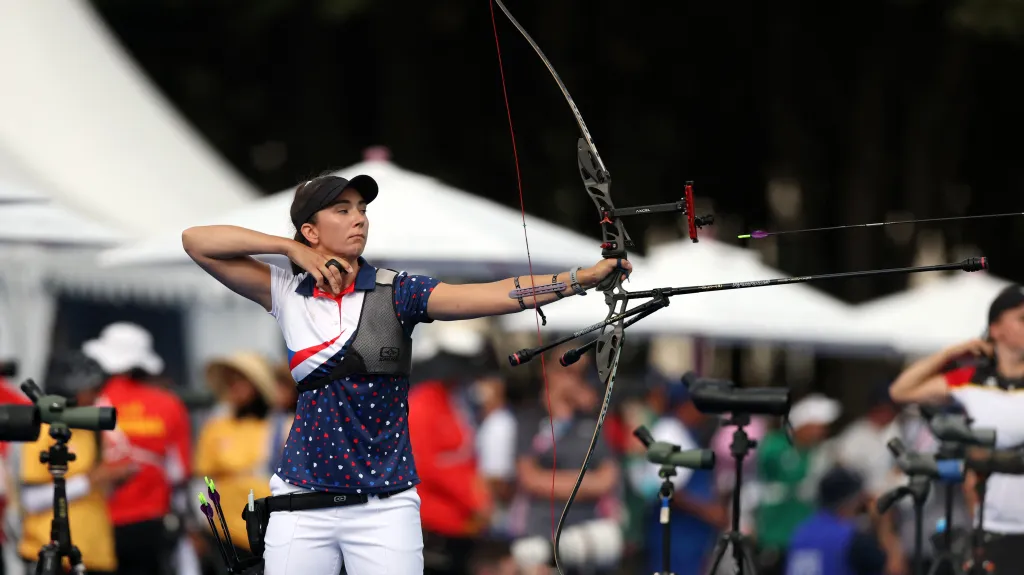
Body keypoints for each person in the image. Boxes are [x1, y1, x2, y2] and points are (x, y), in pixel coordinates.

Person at [181, 172, 630, 575]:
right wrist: (287, 248)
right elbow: (195, 240)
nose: (359, 218)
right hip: (302, 500)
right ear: (310, 230)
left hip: (384, 506)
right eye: (342, 210)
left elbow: (491, 295)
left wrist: (580, 279)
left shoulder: (398, 291)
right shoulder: (285, 291)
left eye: (362, 209)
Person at [889, 284, 1024, 574]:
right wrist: (953, 351)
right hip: (993, 528)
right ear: (996, 329)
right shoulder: (971, 379)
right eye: (1022, 319)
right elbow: (901, 390)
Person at [81, 322, 194, 575]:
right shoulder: (170, 404)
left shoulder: (92, 402)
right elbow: (179, 473)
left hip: (98, 519)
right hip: (152, 522)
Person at [14, 351, 136, 575]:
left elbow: (97, 488)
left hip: (95, 554)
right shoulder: (44, 431)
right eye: (93, 390)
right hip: (54, 558)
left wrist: (114, 480)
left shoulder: (89, 430)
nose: (97, 397)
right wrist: (89, 481)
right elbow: (30, 500)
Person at [193, 352, 281, 573]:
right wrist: (200, 524)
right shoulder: (216, 426)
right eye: (230, 381)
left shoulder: (281, 424)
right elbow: (200, 479)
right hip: (226, 531)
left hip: (273, 527)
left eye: (240, 380)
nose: (234, 387)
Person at [628, 381, 725, 575]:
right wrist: (707, 511)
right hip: (675, 536)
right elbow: (666, 488)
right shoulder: (669, 432)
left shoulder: (689, 431)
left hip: (692, 539)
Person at [754, 393, 840, 575]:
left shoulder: (818, 452)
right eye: (818, 426)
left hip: (807, 536)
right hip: (775, 535)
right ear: (804, 424)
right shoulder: (774, 446)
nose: (822, 432)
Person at [785, 467, 888, 575]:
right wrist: (884, 524)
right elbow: (894, 568)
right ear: (850, 502)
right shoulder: (854, 540)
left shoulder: (799, 534)